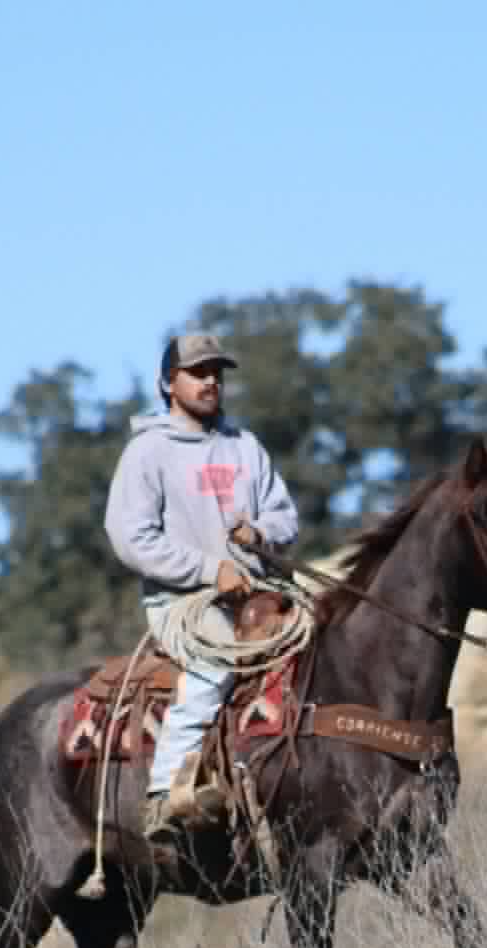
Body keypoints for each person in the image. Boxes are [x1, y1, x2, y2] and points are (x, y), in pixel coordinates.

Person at [102, 331, 300, 841]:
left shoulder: (245, 447)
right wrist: (211, 571)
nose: (211, 381)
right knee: (216, 665)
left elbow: (284, 515)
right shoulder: (148, 452)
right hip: (185, 601)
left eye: (217, 373)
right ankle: (163, 795)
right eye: (198, 372)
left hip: (260, 597)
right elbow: (131, 538)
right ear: (168, 383)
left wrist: (261, 533)